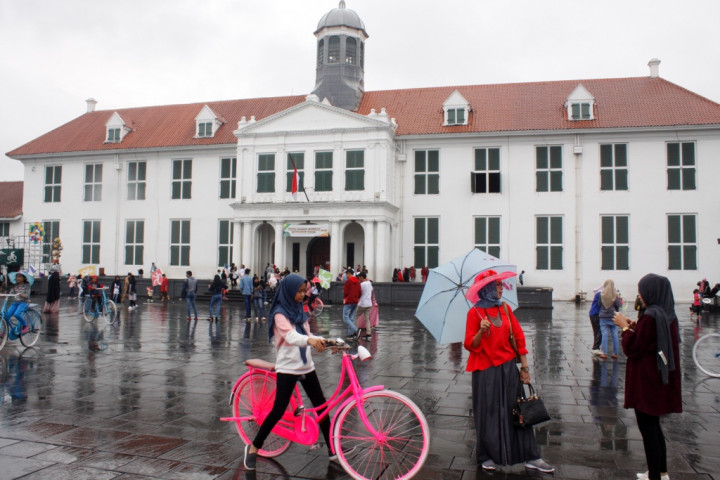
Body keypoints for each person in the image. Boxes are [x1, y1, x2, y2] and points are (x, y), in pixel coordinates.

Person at [463, 270, 554, 473]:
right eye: (497, 285)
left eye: (500, 284)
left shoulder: (505, 309)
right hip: (485, 371)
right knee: (489, 414)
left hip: (507, 369)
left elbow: (519, 339)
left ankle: (531, 456)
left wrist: (525, 368)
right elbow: (469, 344)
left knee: (518, 412)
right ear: (486, 288)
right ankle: (487, 456)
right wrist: (480, 330)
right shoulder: (474, 313)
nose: (501, 287)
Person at [243, 273, 333, 470]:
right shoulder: (279, 313)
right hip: (288, 368)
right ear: (289, 291)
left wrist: (327, 342)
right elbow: (292, 336)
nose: (302, 295)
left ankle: (333, 450)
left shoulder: (300, 311)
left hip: (307, 366)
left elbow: (307, 334)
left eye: (304, 291)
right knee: (277, 410)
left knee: (322, 407)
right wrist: (309, 340)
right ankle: (254, 447)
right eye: (299, 292)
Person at [613, 274, 681, 480]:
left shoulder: (651, 316)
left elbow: (634, 347)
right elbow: (651, 339)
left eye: (642, 290)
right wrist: (635, 327)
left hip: (647, 380)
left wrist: (624, 327)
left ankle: (654, 476)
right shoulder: (666, 314)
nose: (640, 295)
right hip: (659, 379)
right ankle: (660, 471)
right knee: (655, 426)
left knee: (648, 429)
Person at [599, 279, 622, 360]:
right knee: (615, 335)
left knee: (604, 335)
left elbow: (599, 304)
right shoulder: (615, 295)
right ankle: (615, 353)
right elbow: (618, 306)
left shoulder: (601, 295)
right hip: (613, 317)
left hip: (603, 317)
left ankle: (604, 353)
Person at [342, 269, 361, 339]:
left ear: (349, 274)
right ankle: (350, 334)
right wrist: (357, 298)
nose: (345, 276)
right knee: (351, 318)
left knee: (345, 317)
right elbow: (360, 292)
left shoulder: (348, 281)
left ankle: (356, 330)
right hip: (355, 301)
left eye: (346, 274)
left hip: (349, 301)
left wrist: (345, 298)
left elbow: (345, 292)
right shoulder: (358, 281)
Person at [355, 272, 373, 337]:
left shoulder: (362, 284)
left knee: (356, 316)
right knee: (367, 319)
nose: (358, 278)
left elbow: (358, 293)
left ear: (362, 277)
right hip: (369, 303)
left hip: (362, 303)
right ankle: (368, 333)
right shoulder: (369, 283)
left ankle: (356, 331)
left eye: (359, 277)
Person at [588, 288, 602, 356]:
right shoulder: (600, 294)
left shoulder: (598, 293)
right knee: (599, 330)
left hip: (592, 313)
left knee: (596, 331)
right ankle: (595, 347)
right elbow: (601, 304)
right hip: (596, 313)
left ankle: (595, 347)